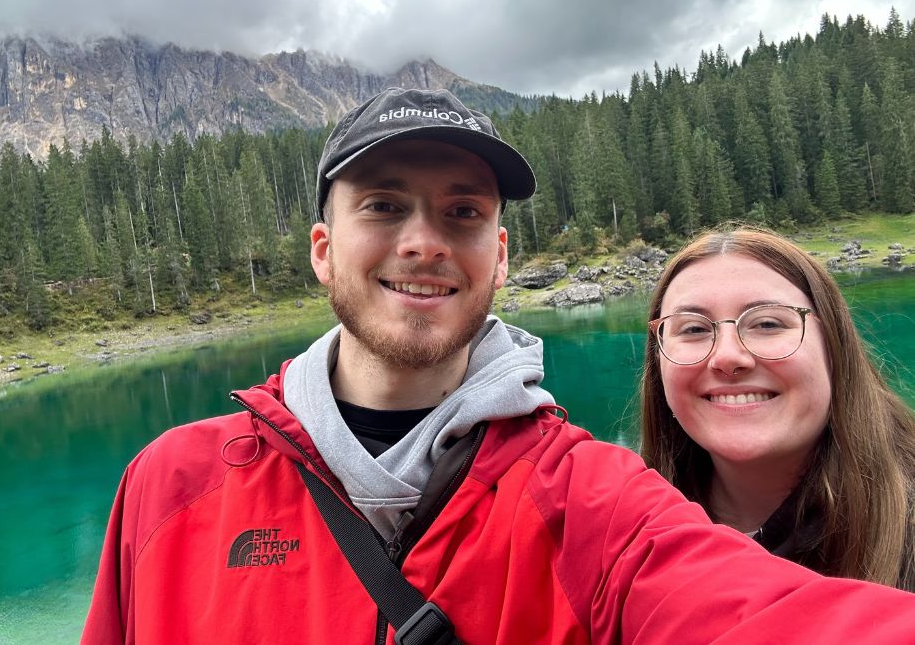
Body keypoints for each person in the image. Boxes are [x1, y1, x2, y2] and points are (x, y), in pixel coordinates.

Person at [83, 89, 915, 645]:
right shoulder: (168, 485)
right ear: (322, 250)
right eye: (383, 203)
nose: (424, 239)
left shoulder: (588, 495)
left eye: (463, 211)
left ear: (500, 255)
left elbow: (765, 616)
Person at [641, 225, 915, 591]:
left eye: (767, 323)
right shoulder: (627, 534)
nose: (727, 357)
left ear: (835, 348)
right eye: (692, 329)